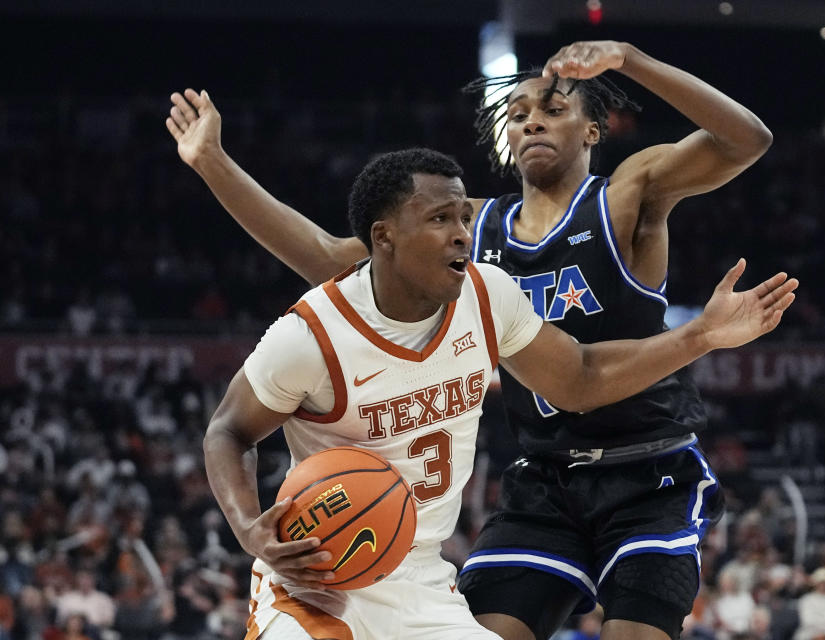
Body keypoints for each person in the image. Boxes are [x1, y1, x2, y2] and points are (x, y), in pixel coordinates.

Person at [167, 39, 774, 640]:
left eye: (553, 109)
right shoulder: (466, 231)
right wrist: (213, 162)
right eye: (517, 115)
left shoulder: (625, 196)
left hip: (649, 472)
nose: (532, 119)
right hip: (545, 479)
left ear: (593, 130)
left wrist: (631, 61)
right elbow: (327, 257)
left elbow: (745, 140)